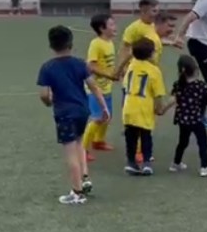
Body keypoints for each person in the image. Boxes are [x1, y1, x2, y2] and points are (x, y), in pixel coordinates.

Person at [37, 26, 109, 205]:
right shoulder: (80, 64)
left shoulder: (47, 68)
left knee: (70, 153)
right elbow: (93, 86)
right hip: (82, 111)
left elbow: (44, 94)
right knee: (79, 144)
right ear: (71, 43)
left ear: (51, 45)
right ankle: (85, 179)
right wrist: (104, 108)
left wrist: (49, 102)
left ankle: (77, 192)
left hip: (65, 114)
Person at [165, 55, 207, 177]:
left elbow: (172, 100)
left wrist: (162, 109)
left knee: (182, 142)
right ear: (196, 70)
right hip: (196, 120)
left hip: (183, 120)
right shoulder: (200, 85)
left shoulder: (178, 85)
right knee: (202, 142)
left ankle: (175, 163)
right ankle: (205, 167)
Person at [121, 38, 168, 176]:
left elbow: (125, 86)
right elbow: (158, 93)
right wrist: (160, 107)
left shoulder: (132, 65)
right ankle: (147, 162)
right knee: (146, 136)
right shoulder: (154, 71)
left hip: (129, 107)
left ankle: (131, 162)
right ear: (150, 54)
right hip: (144, 107)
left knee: (131, 137)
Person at [81, 13, 117, 163]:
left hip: (106, 87)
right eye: (112, 25)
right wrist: (109, 76)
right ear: (102, 28)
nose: (115, 27)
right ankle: (82, 150)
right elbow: (91, 66)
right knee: (97, 119)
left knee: (107, 116)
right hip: (95, 89)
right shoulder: (96, 44)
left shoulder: (110, 42)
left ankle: (98, 141)